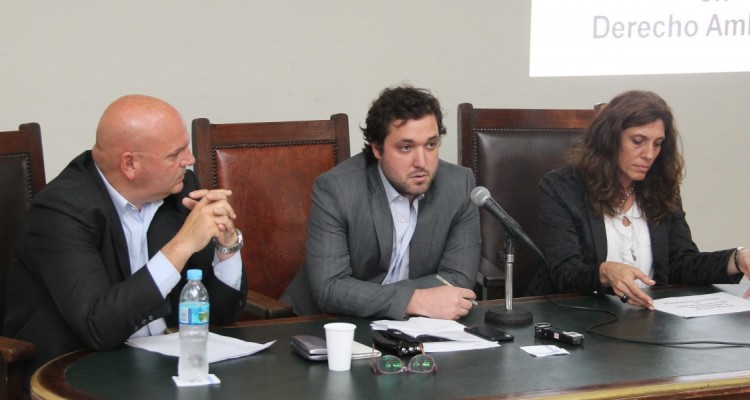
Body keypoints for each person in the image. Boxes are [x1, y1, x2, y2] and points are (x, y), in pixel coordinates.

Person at [3, 95, 248, 384]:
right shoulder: (61, 209)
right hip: (78, 371)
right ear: (129, 164)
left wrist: (226, 245)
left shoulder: (180, 191)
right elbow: (98, 327)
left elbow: (222, 313)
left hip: (161, 367)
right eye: (175, 154)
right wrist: (181, 246)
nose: (190, 160)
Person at [526, 90, 749, 309]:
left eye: (657, 143)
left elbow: (681, 263)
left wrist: (737, 259)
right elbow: (565, 271)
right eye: (638, 141)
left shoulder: (661, 188)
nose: (649, 154)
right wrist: (605, 272)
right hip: (577, 317)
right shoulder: (562, 188)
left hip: (649, 319)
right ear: (610, 140)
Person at [281, 85, 480, 320]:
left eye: (431, 145)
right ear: (377, 148)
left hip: (414, 327)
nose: (421, 162)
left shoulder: (459, 185)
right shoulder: (337, 189)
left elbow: (457, 279)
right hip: (325, 324)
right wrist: (414, 300)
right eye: (406, 147)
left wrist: (380, 298)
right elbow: (330, 288)